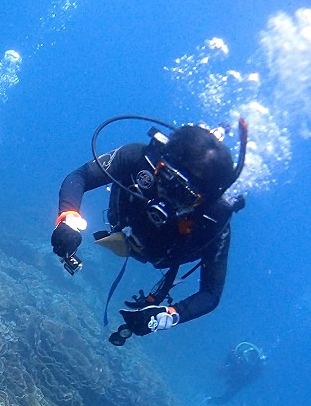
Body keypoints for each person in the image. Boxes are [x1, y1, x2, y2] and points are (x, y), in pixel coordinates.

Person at [50, 118, 247, 347]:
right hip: (127, 227)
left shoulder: (215, 220)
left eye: (186, 195)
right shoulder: (139, 158)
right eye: (167, 178)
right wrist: (68, 219)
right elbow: (81, 176)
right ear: (160, 161)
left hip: (161, 252)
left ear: (207, 200)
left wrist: (168, 315)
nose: (168, 196)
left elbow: (211, 294)